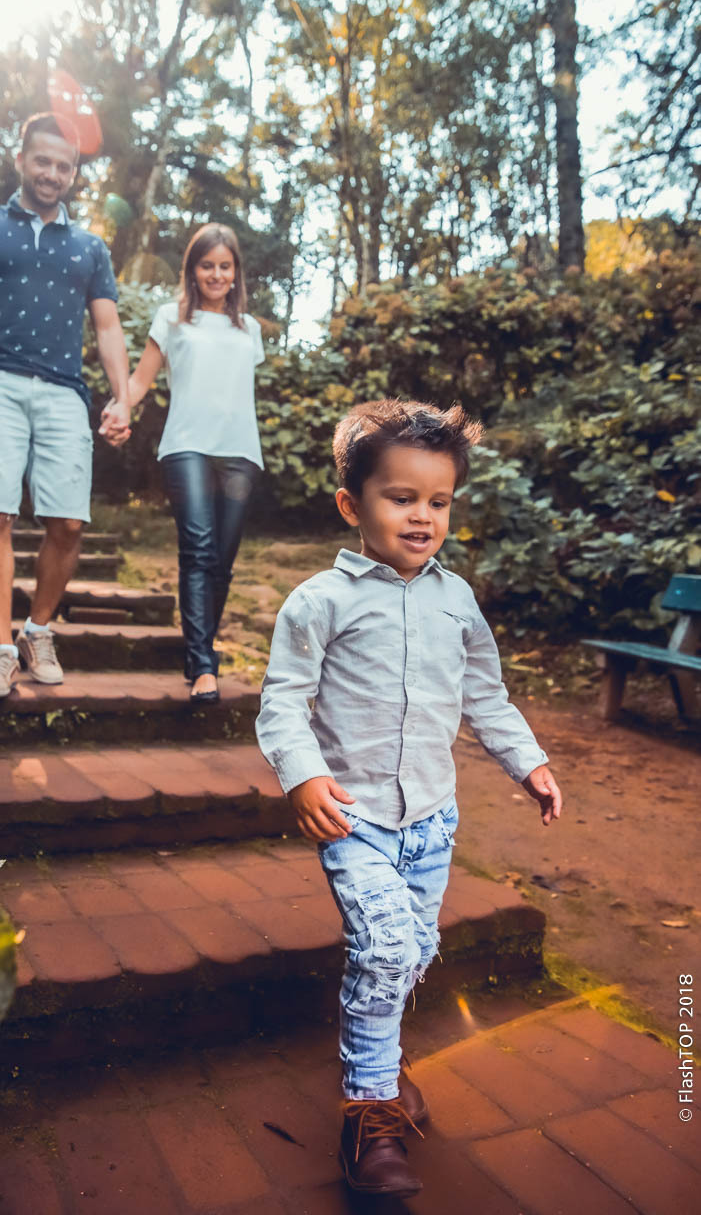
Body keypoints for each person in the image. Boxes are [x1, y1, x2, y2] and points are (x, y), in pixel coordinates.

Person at [256, 399, 562, 1198]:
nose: (422, 516)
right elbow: (282, 702)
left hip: (431, 818)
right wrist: (302, 774)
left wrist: (527, 763)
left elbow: (486, 698)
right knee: (386, 950)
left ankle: (384, 1072)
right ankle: (366, 1115)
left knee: (411, 952)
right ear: (351, 505)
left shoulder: (454, 601)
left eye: (438, 501)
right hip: (353, 820)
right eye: (401, 498)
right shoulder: (319, 601)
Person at [0, 112, 131, 699]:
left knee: (66, 521)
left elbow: (108, 328)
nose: (52, 174)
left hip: (65, 391)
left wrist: (123, 396)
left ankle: (39, 630)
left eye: (64, 166)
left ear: (74, 173)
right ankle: (2, 649)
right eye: (42, 161)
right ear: (21, 160)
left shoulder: (90, 247)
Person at [122, 222, 264, 702]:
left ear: (236, 271)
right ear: (193, 269)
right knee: (199, 548)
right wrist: (121, 408)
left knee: (222, 561)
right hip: (186, 447)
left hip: (241, 452)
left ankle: (196, 649)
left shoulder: (250, 329)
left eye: (225, 266)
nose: (217, 274)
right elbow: (141, 380)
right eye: (208, 265)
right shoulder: (170, 318)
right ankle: (204, 663)